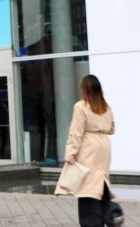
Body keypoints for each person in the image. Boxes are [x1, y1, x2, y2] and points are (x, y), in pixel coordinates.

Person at [56, 74, 116, 227]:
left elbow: (76, 132)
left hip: (89, 146)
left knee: (87, 188)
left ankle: (92, 223)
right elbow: (111, 129)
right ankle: (105, 217)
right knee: (100, 182)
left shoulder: (81, 106)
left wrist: (71, 152)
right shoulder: (106, 106)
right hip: (104, 145)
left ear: (85, 89)